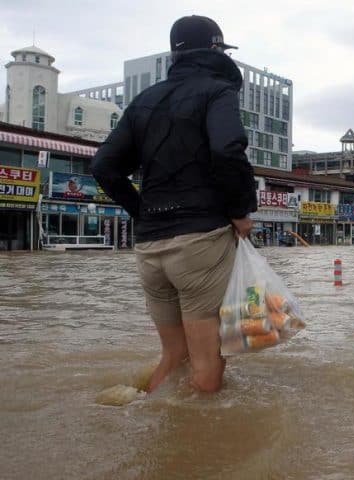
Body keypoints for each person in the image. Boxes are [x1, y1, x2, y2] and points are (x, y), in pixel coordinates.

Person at [91, 15, 256, 393]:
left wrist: (142, 211)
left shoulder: (144, 100)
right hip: (200, 244)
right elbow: (228, 149)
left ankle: (147, 418)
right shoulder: (218, 91)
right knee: (207, 359)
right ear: (216, 49)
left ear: (173, 54)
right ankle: (198, 447)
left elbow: (103, 166)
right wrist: (240, 211)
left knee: (174, 355)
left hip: (150, 248)